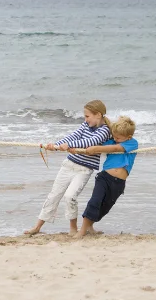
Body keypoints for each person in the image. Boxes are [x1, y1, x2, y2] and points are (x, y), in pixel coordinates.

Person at [24, 100, 112, 236]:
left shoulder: (105, 130)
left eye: (88, 116)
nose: (85, 119)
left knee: (70, 196)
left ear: (98, 115)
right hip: (68, 165)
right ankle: (37, 227)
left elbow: (89, 142)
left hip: (84, 170)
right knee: (54, 195)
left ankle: (73, 229)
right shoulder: (85, 125)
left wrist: (69, 145)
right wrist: (56, 145)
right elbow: (73, 136)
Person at [74, 116, 138, 238]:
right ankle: (82, 230)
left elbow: (115, 148)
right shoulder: (112, 141)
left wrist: (96, 148)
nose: (115, 139)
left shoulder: (132, 143)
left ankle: (90, 226)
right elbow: (100, 144)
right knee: (95, 202)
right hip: (104, 178)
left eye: (118, 137)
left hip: (119, 183)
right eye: (114, 136)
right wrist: (78, 149)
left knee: (105, 207)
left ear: (128, 137)